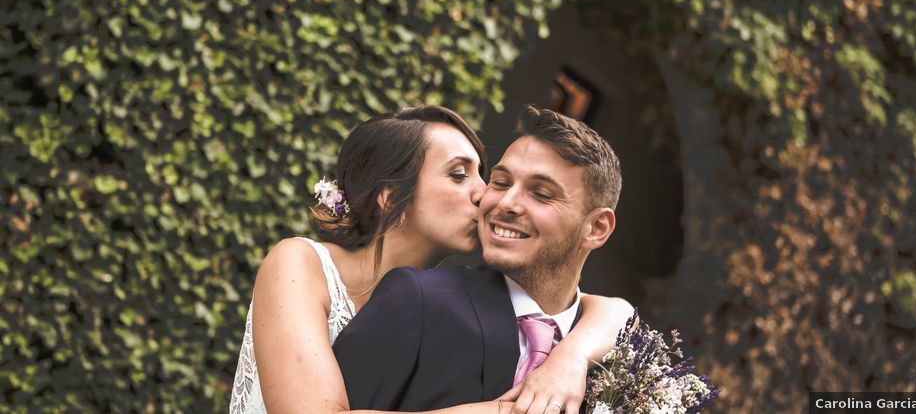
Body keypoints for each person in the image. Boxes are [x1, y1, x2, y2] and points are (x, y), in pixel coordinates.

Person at [229, 106, 632, 414]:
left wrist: (572, 356)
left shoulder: (456, 298)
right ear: (389, 197)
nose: (486, 195)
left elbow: (611, 309)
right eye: (459, 175)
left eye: (484, 176)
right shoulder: (300, 263)